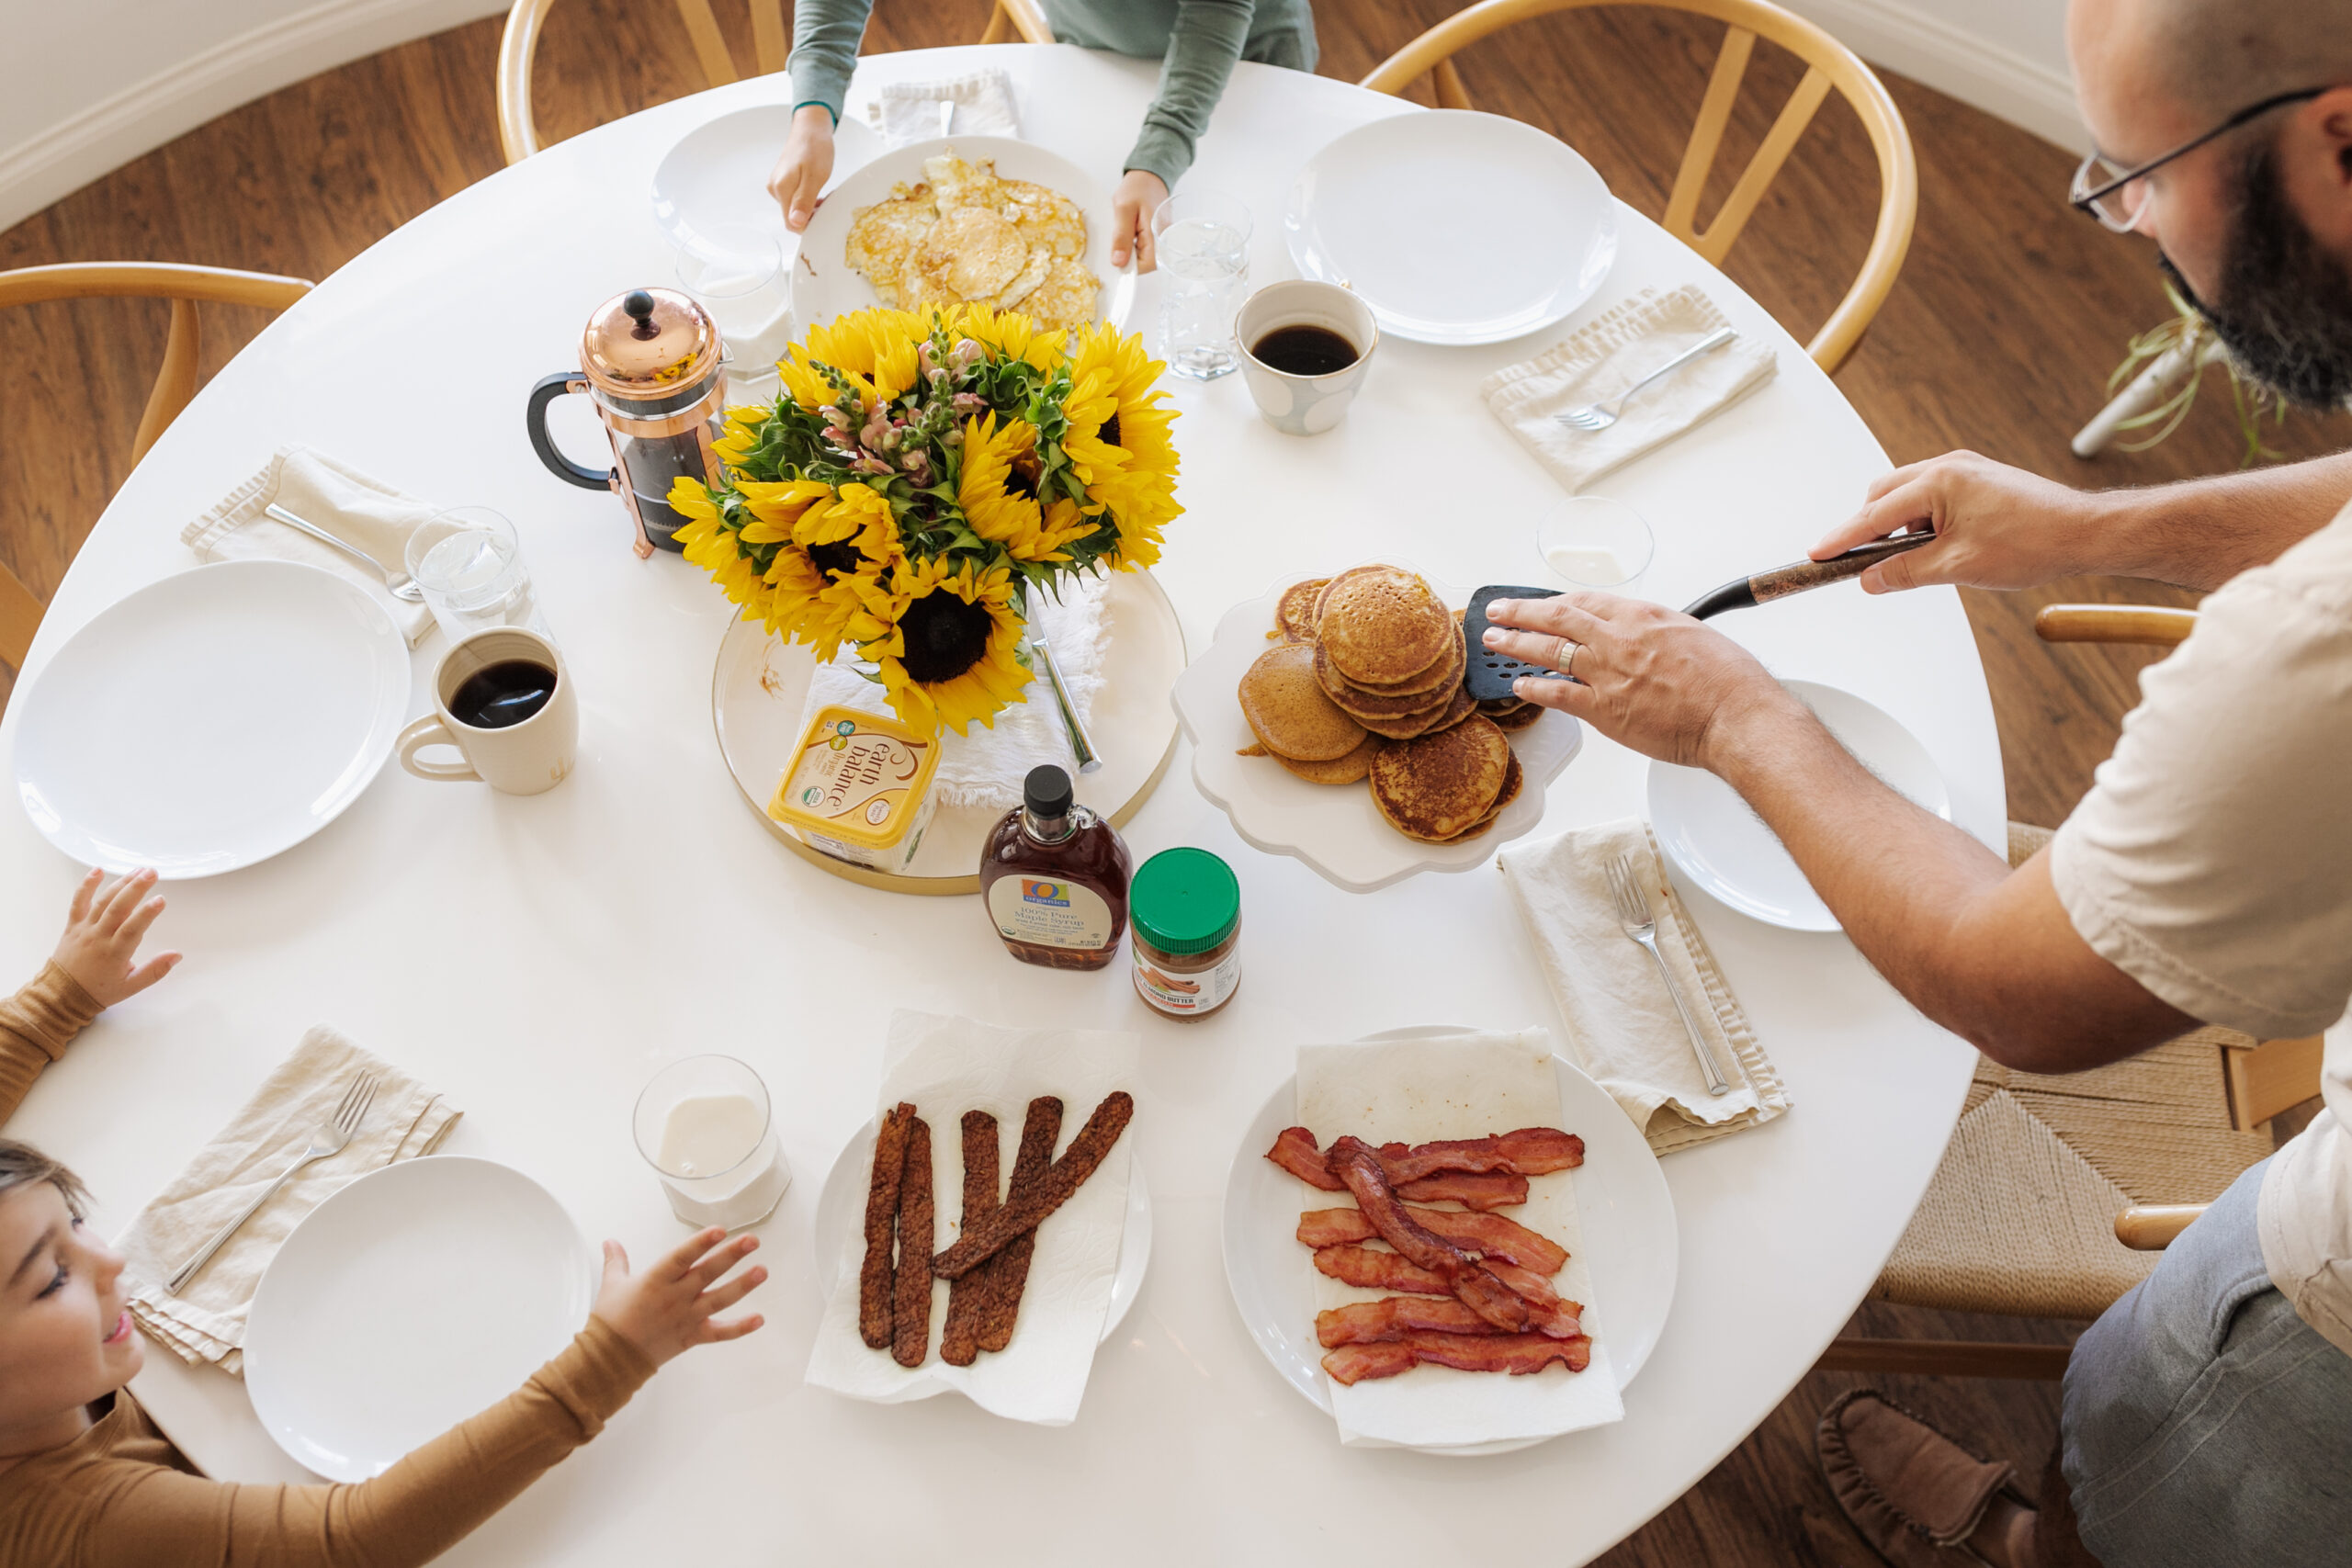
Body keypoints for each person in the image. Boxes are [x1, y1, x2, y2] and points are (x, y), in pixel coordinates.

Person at [1482, 0, 2352, 1562]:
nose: (2131, 221)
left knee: (2154, 1489)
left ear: (2341, 133)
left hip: (2330, 1314)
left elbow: (2019, 995)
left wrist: (1733, 715)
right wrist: (2083, 530)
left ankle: (2034, 1539)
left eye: (2140, 171)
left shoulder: (2316, 662)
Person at [0, 870, 770, 1565]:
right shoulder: (75, 1521)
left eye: (73, 1221)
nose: (111, 1263)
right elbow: (347, 1540)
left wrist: (59, 999)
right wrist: (612, 1359)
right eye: (53, 1275)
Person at [766, 0, 1316, 268]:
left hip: (1243, 66)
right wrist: (813, 110)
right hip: (1093, 52)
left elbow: (1218, 9)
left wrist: (1157, 156)